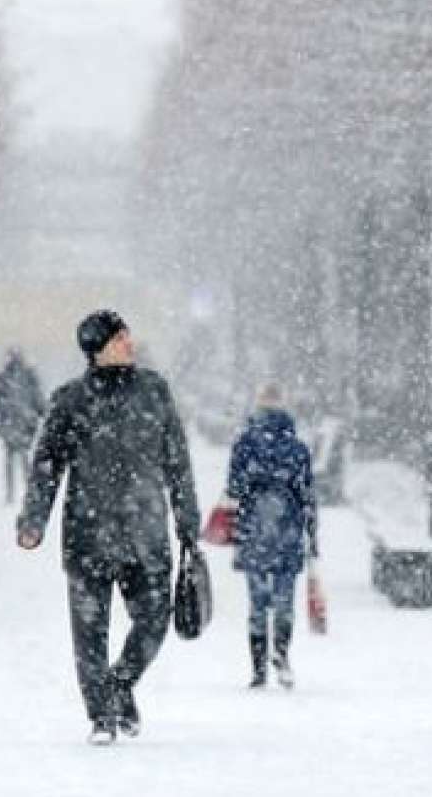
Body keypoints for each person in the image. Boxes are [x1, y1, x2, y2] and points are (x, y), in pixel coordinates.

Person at [16, 310, 202, 745]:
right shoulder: (69, 401)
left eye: (128, 335)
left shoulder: (155, 392)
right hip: (88, 536)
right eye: (119, 338)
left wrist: (187, 521)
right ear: (97, 349)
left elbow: (177, 461)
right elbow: (46, 466)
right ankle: (100, 716)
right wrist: (32, 520)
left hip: (147, 534)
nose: (128, 343)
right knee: (89, 633)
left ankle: (119, 684)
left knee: (155, 622)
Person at [225, 381, 318, 690]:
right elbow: (308, 496)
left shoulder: (245, 444)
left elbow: (234, 488)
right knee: (284, 600)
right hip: (288, 529)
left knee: (257, 602)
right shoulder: (298, 448)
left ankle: (258, 666)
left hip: (254, 528)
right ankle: (281, 654)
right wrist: (312, 536)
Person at [0, 347, 45, 504]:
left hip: (12, 423)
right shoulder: (27, 375)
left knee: (12, 458)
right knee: (23, 457)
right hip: (24, 422)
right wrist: (42, 412)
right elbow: (37, 397)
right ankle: (26, 491)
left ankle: (12, 492)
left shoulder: (5, 376)